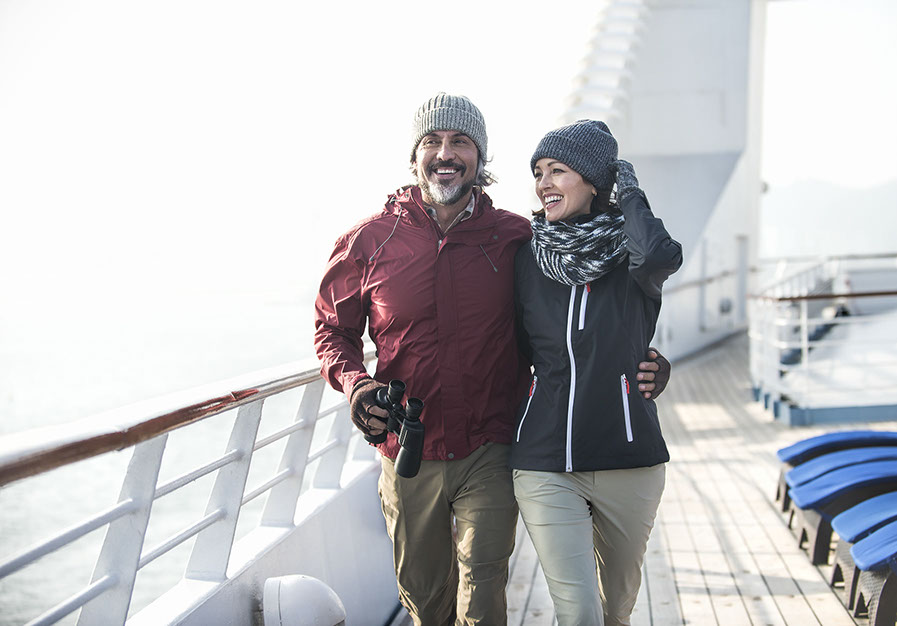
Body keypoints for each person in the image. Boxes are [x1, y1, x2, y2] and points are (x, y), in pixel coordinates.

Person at [313, 94, 671, 625]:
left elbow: (586, 310)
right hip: (407, 448)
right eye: (432, 141)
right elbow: (332, 330)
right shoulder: (368, 241)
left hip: (492, 446)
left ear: (480, 157)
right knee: (424, 597)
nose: (446, 152)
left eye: (460, 141)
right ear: (414, 156)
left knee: (483, 590)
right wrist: (357, 385)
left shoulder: (517, 237)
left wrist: (646, 361)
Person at [510, 119, 683, 626]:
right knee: (578, 612)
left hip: (628, 459)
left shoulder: (633, 256)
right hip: (545, 460)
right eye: (538, 172)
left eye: (557, 171)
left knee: (616, 611)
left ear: (592, 181)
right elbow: (515, 349)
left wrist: (627, 188)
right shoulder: (528, 258)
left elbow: (661, 254)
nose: (543, 183)